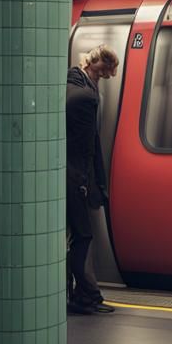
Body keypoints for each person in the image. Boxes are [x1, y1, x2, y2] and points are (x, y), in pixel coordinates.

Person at [66, 44, 119, 315]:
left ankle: (77, 293)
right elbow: (87, 145)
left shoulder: (69, 82)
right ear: (94, 65)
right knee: (83, 236)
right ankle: (84, 296)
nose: (101, 79)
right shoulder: (86, 96)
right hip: (75, 177)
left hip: (64, 175)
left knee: (72, 235)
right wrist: (90, 182)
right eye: (101, 74)